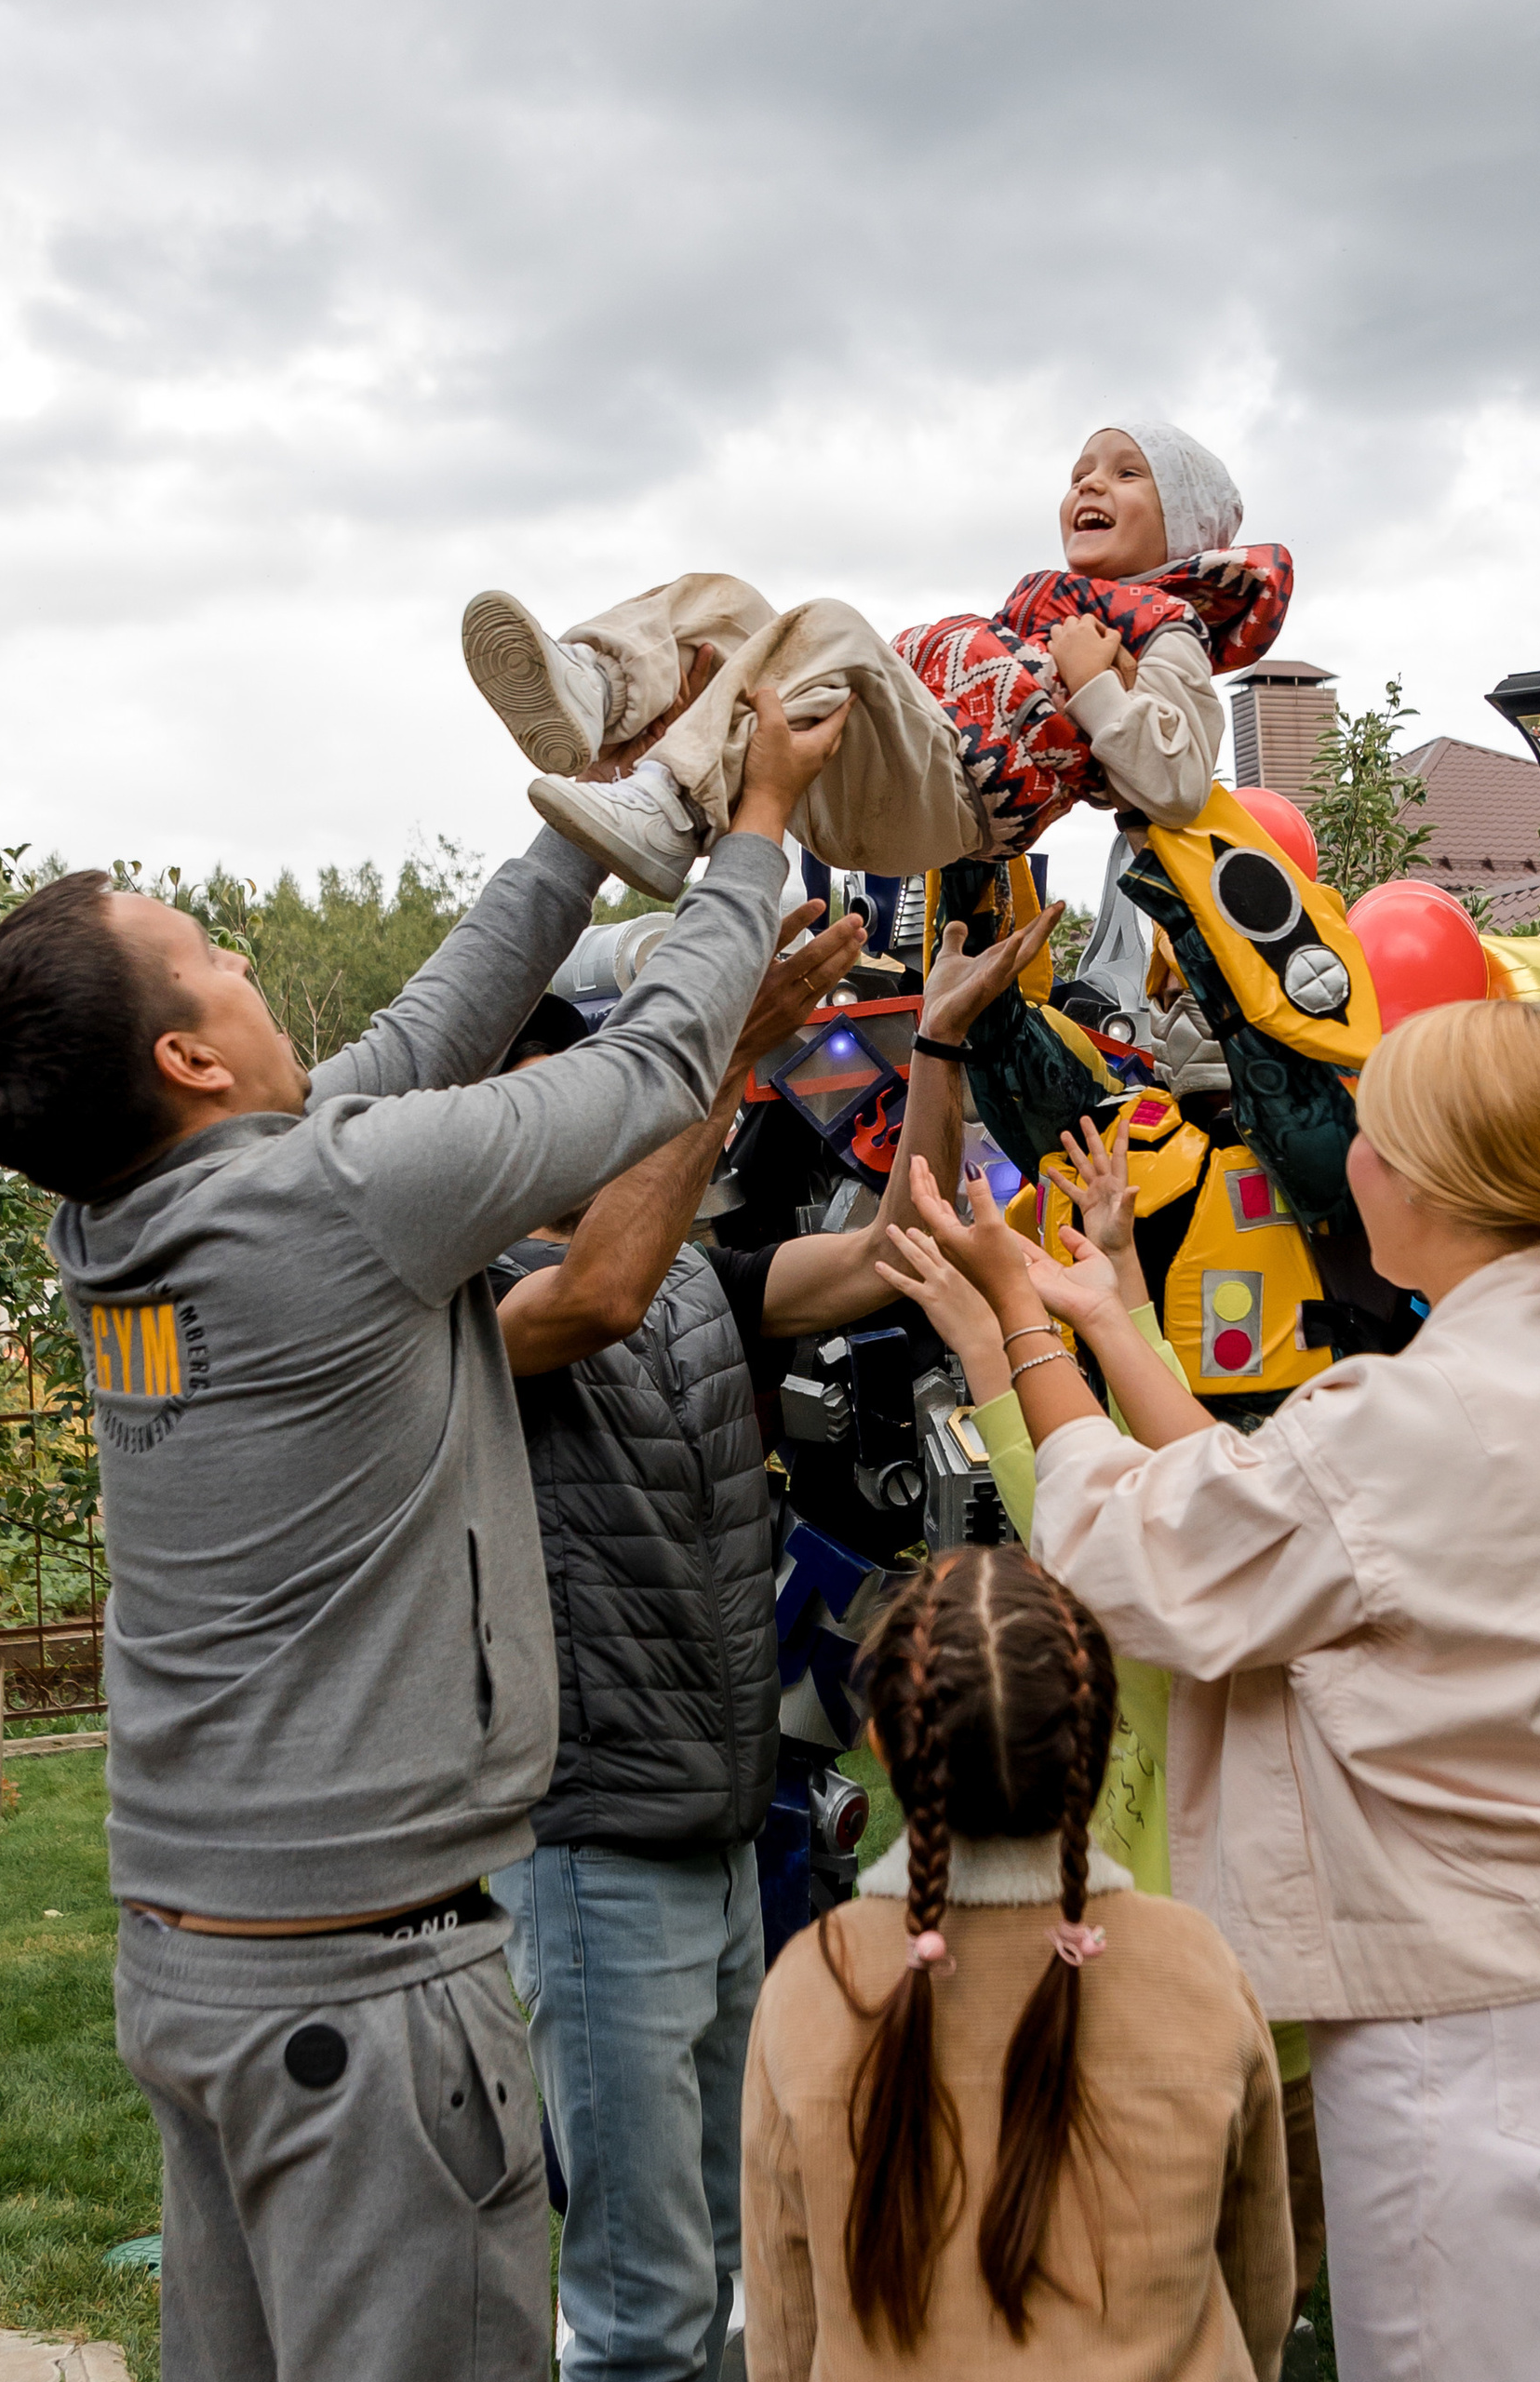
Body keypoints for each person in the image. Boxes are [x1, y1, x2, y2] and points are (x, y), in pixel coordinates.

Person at [0, 689, 849, 2382]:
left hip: (199, 1966)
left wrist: (593, 824)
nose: (256, 969)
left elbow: (430, 1028)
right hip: (363, 1994)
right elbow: (642, 1070)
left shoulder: (122, 1213)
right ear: (191, 1061)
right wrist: (755, 826)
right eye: (219, 958)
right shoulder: (323, 1207)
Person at [905, 999, 1540, 2382]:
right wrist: (1108, 1315)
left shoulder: (1422, 1416)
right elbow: (1267, 1505)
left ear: (1417, 1180)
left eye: (1370, 1134)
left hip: (1481, 2032)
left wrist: (1023, 1337)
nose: (1345, 1156)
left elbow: (1137, 1554)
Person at [482, 900, 1058, 2382]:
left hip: (726, 1832)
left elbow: (888, 1251)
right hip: (593, 1843)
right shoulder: (468, 1307)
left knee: (755, 2256)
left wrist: (933, 1036)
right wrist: (721, 1056)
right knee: (638, 2298)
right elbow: (594, 1296)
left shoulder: (688, 1276)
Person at [875, 1120, 1330, 2321]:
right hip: (1276, 2015)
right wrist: (1099, 1282)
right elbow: (1142, 1452)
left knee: (1183, 2287)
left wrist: (993, 1323)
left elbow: (1076, 1467)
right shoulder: (1238, 1575)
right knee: (1256, 2288)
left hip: (1186, 2013)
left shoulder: (1140, 1603)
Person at [741, 1546, 1295, 2381]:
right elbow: (1260, 2294)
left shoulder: (812, 1986)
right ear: (1102, 1735)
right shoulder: (1197, 1967)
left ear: (885, 1743)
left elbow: (783, 2336)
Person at [461, 421, 1291, 898]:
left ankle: (667, 807)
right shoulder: (1044, 605)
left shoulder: (1165, 627)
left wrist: (1099, 685)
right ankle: (598, 693)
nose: (1088, 487)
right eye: (1079, 474)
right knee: (728, 603)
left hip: (947, 800)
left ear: (1180, 521)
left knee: (829, 625)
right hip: (876, 757)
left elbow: (1181, 786)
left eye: (1125, 473)